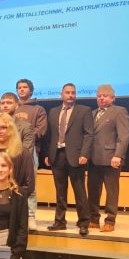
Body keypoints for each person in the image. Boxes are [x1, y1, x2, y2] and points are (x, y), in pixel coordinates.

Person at [44, 83, 93, 236]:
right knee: (60, 192)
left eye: (73, 93)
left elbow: (88, 134)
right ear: (61, 94)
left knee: (80, 192)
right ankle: (60, 222)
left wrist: (85, 154)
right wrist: (48, 154)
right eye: (67, 92)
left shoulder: (84, 110)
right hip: (57, 155)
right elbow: (50, 135)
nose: (70, 95)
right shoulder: (53, 112)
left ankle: (83, 223)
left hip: (76, 156)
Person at [88, 84, 129, 232]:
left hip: (111, 158)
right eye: (99, 96)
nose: (101, 98)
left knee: (111, 191)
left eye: (105, 96)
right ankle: (94, 219)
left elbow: (124, 136)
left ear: (113, 98)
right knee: (93, 190)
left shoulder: (119, 111)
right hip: (93, 158)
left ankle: (110, 220)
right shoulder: (92, 113)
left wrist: (118, 155)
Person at [15, 79, 48, 230]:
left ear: (31, 90)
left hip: (31, 149)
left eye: (25, 87)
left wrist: (25, 137)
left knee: (30, 183)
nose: (22, 90)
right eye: (19, 87)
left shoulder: (38, 109)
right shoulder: (11, 107)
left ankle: (30, 215)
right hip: (10, 149)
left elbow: (41, 130)